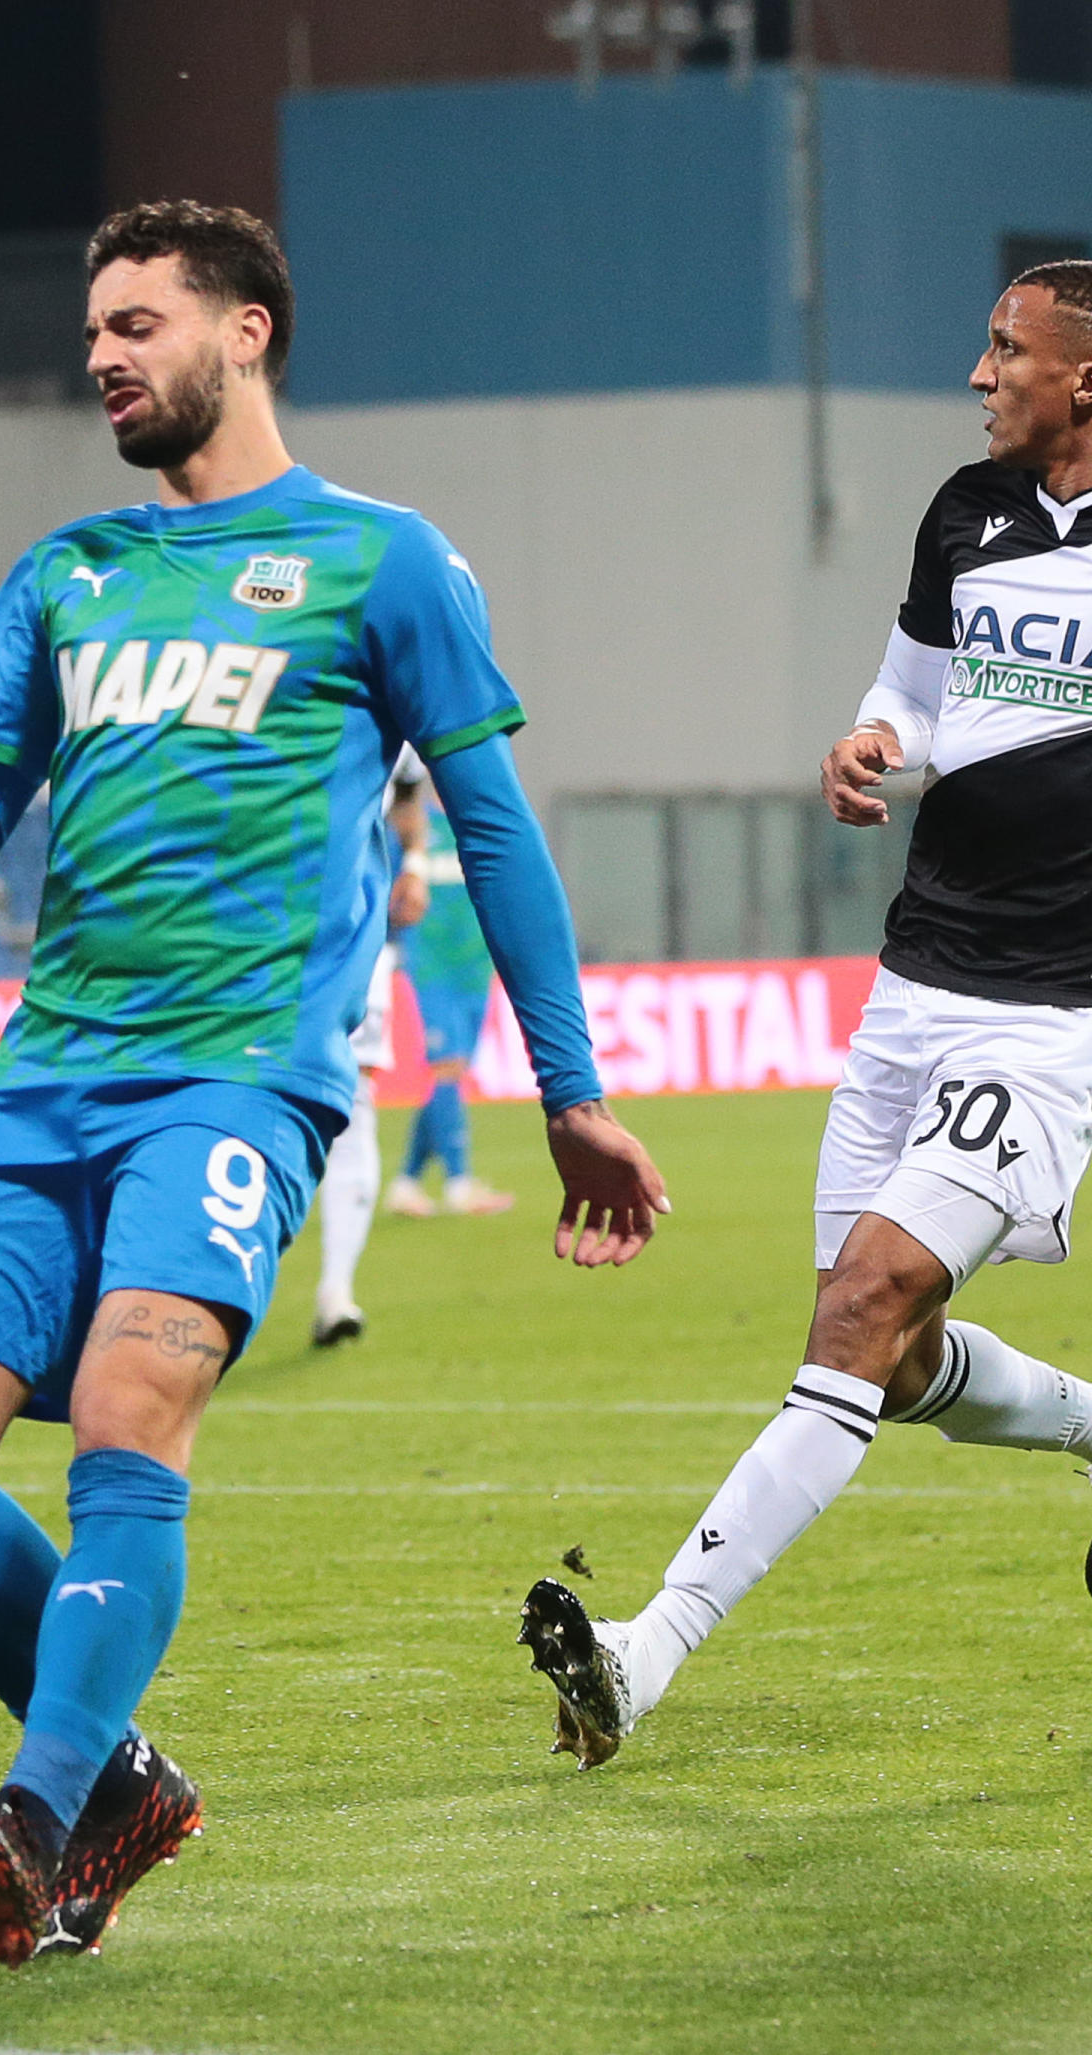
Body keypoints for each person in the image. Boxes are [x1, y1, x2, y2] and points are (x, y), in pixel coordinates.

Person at [0, 199, 666, 1967]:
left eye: (137, 324)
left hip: (233, 1089)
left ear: (247, 331)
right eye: (93, 335)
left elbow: (497, 828)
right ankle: (116, 1777)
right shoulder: (67, 574)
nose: (102, 358)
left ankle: (48, 1816)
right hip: (41, 1087)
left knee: (133, 1423)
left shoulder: (384, 563)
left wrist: (567, 1086)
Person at [520, 260, 1092, 1768]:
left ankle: (644, 1651)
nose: (980, 375)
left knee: (860, 1309)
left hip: (1045, 1020)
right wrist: (872, 740)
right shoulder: (964, 512)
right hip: (910, 989)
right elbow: (912, 689)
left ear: (1084, 377)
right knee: (887, 1359)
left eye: (1006, 349)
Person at [310, 766, 429, 1346]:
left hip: (359, 934)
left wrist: (415, 865)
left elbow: (408, 795)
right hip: (254, 927)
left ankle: (336, 1290)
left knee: (355, 1102)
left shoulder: (387, 681)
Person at [384, 779, 513, 1217]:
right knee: (446, 1067)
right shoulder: (415, 830)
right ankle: (459, 1184)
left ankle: (406, 1182)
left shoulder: (482, 827)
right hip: (432, 966)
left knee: (452, 1075)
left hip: (476, 968)